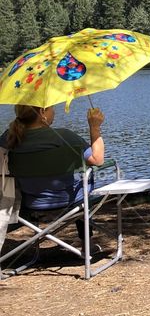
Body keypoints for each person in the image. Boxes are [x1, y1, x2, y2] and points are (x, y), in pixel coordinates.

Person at [1, 105, 106, 245]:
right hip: (70, 202)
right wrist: (95, 127)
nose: (54, 112)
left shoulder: (8, 138)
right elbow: (97, 160)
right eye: (52, 108)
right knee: (81, 180)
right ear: (42, 112)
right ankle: (86, 243)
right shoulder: (66, 136)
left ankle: (37, 247)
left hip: (30, 204)